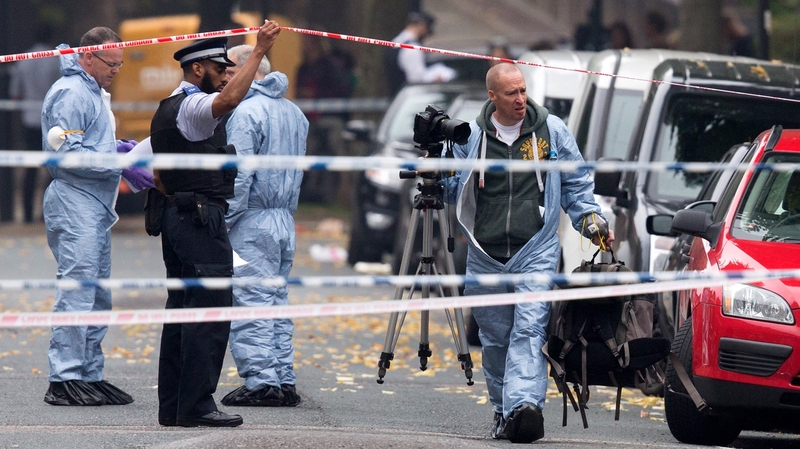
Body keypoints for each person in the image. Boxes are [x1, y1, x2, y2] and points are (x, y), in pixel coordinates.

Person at [443, 63, 614, 443]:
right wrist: (439, 172)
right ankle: (504, 411)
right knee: (496, 338)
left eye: (523, 91)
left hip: (535, 249)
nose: (520, 99)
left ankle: (525, 407)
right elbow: (455, 193)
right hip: (485, 254)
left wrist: (591, 220)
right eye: (511, 94)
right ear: (493, 97)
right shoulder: (470, 138)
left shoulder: (552, 131)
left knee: (529, 329)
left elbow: (576, 184)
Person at [149, 21, 281, 428]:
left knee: (182, 315)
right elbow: (226, 101)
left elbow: (151, 168)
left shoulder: (168, 106)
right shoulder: (192, 108)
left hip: (178, 216)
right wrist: (257, 52)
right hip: (199, 220)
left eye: (230, 68)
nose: (226, 76)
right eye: (219, 68)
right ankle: (197, 406)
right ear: (198, 69)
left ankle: (175, 407)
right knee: (207, 317)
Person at [41, 26, 149, 406]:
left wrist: (116, 149)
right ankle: (65, 376)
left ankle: (88, 371)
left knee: (96, 293)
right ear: (88, 56)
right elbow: (69, 155)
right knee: (78, 290)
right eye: (111, 63)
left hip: (93, 203)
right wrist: (116, 160)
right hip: (75, 200)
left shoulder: (91, 91)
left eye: (120, 64)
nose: (116, 70)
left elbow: (87, 142)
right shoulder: (71, 93)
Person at [217, 44, 307, 408]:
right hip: (283, 218)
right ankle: (283, 377)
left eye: (228, 71)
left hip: (252, 220)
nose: (224, 78)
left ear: (246, 69)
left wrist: (222, 221)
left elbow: (239, 176)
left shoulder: (245, 113)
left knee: (250, 299)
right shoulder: (294, 113)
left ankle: (261, 381)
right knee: (276, 301)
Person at [8, 24, 61, 223]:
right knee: (53, 167)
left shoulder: (23, 60)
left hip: (28, 119)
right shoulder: (55, 61)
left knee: (29, 167)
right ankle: (45, 212)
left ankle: (27, 213)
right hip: (51, 121)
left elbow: (15, 94)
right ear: (51, 38)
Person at [295, 32, 353, 204]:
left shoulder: (331, 66)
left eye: (307, 41)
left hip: (330, 117)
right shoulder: (303, 68)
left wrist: (316, 95)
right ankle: (309, 191)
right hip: (307, 119)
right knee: (305, 149)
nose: (304, 45)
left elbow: (341, 91)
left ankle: (344, 190)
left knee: (338, 148)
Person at [385, 11, 455, 96]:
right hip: (409, 99)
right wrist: (434, 79)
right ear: (422, 25)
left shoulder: (396, 42)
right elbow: (417, 80)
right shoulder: (412, 48)